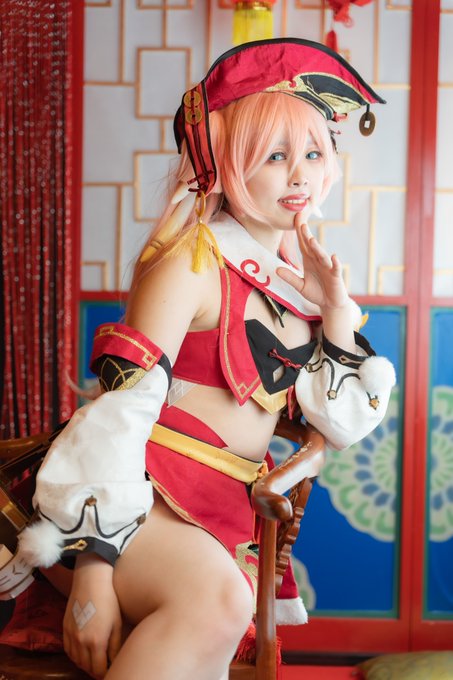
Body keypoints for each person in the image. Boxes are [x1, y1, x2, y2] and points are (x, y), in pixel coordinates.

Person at [13, 38, 396, 680]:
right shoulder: (188, 264)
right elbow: (118, 413)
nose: (299, 176)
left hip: (225, 510)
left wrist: (334, 311)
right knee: (218, 603)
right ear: (225, 163)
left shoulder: (297, 283)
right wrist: (93, 568)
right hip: (139, 500)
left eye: (313, 152)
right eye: (274, 155)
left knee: (221, 604)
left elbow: (342, 423)